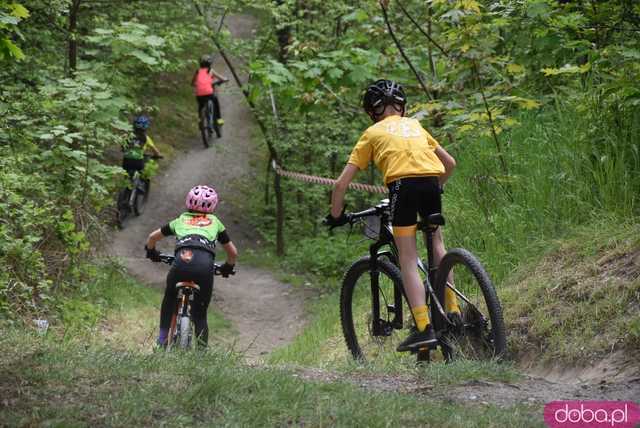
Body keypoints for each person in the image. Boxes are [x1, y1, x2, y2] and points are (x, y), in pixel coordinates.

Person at [326, 79, 460, 352]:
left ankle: (424, 328)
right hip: (431, 182)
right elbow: (450, 163)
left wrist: (336, 215)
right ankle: (454, 310)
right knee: (437, 245)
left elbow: (341, 184)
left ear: (371, 111)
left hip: (403, 186)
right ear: (402, 106)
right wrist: (438, 187)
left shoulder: (372, 133)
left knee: (408, 258)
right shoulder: (415, 125)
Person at [144, 185, 238, 348]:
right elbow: (233, 253)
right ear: (213, 206)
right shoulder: (215, 222)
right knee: (200, 315)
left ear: (188, 202)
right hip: (204, 265)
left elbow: (152, 237)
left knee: (169, 298)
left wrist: (152, 252)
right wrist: (227, 267)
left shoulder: (181, 219)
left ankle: (161, 340)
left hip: (181, 260)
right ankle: (201, 354)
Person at [191, 55, 228, 138]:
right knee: (216, 102)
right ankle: (219, 119)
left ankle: (200, 120)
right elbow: (221, 78)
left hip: (199, 95)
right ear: (209, 63)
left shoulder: (197, 71)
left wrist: (198, 85)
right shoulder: (210, 70)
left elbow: (192, 83)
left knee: (200, 107)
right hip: (209, 93)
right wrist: (225, 79)